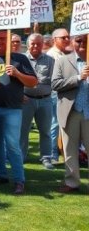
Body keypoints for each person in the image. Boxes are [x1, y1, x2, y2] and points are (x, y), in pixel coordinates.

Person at [0, 30, 38, 194]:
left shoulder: (20, 58)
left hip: (13, 109)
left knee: (12, 144)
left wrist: (18, 73)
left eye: (2, 39)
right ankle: (1, 175)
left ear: (9, 40)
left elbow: (33, 82)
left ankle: (19, 180)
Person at [51, 35, 89, 193]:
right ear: (73, 42)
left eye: (85, 40)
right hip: (70, 112)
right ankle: (72, 182)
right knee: (69, 149)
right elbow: (55, 84)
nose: (81, 44)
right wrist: (78, 78)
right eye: (78, 40)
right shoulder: (62, 61)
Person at [20, 34, 55, 169]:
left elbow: (54, 79)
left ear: (43, 44)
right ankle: (21, 156)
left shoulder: (50, 60)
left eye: (38, 44)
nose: (35, 46)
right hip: (26, 99)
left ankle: (46, 157)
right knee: (23, 130)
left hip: (45, 100)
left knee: (45, 130)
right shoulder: (21, 59)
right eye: (33, 43)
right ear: (28, 44)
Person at [47, 28, 71, 163]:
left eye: (68, 37)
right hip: (55, 93)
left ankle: (58, 153)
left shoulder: (63, 54)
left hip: (64, 93)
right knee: (55, 124)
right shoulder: (52, 55)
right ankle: (52, 154)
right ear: (54, 40)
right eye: (63, 37)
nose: (67, 40)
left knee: (62, 124)